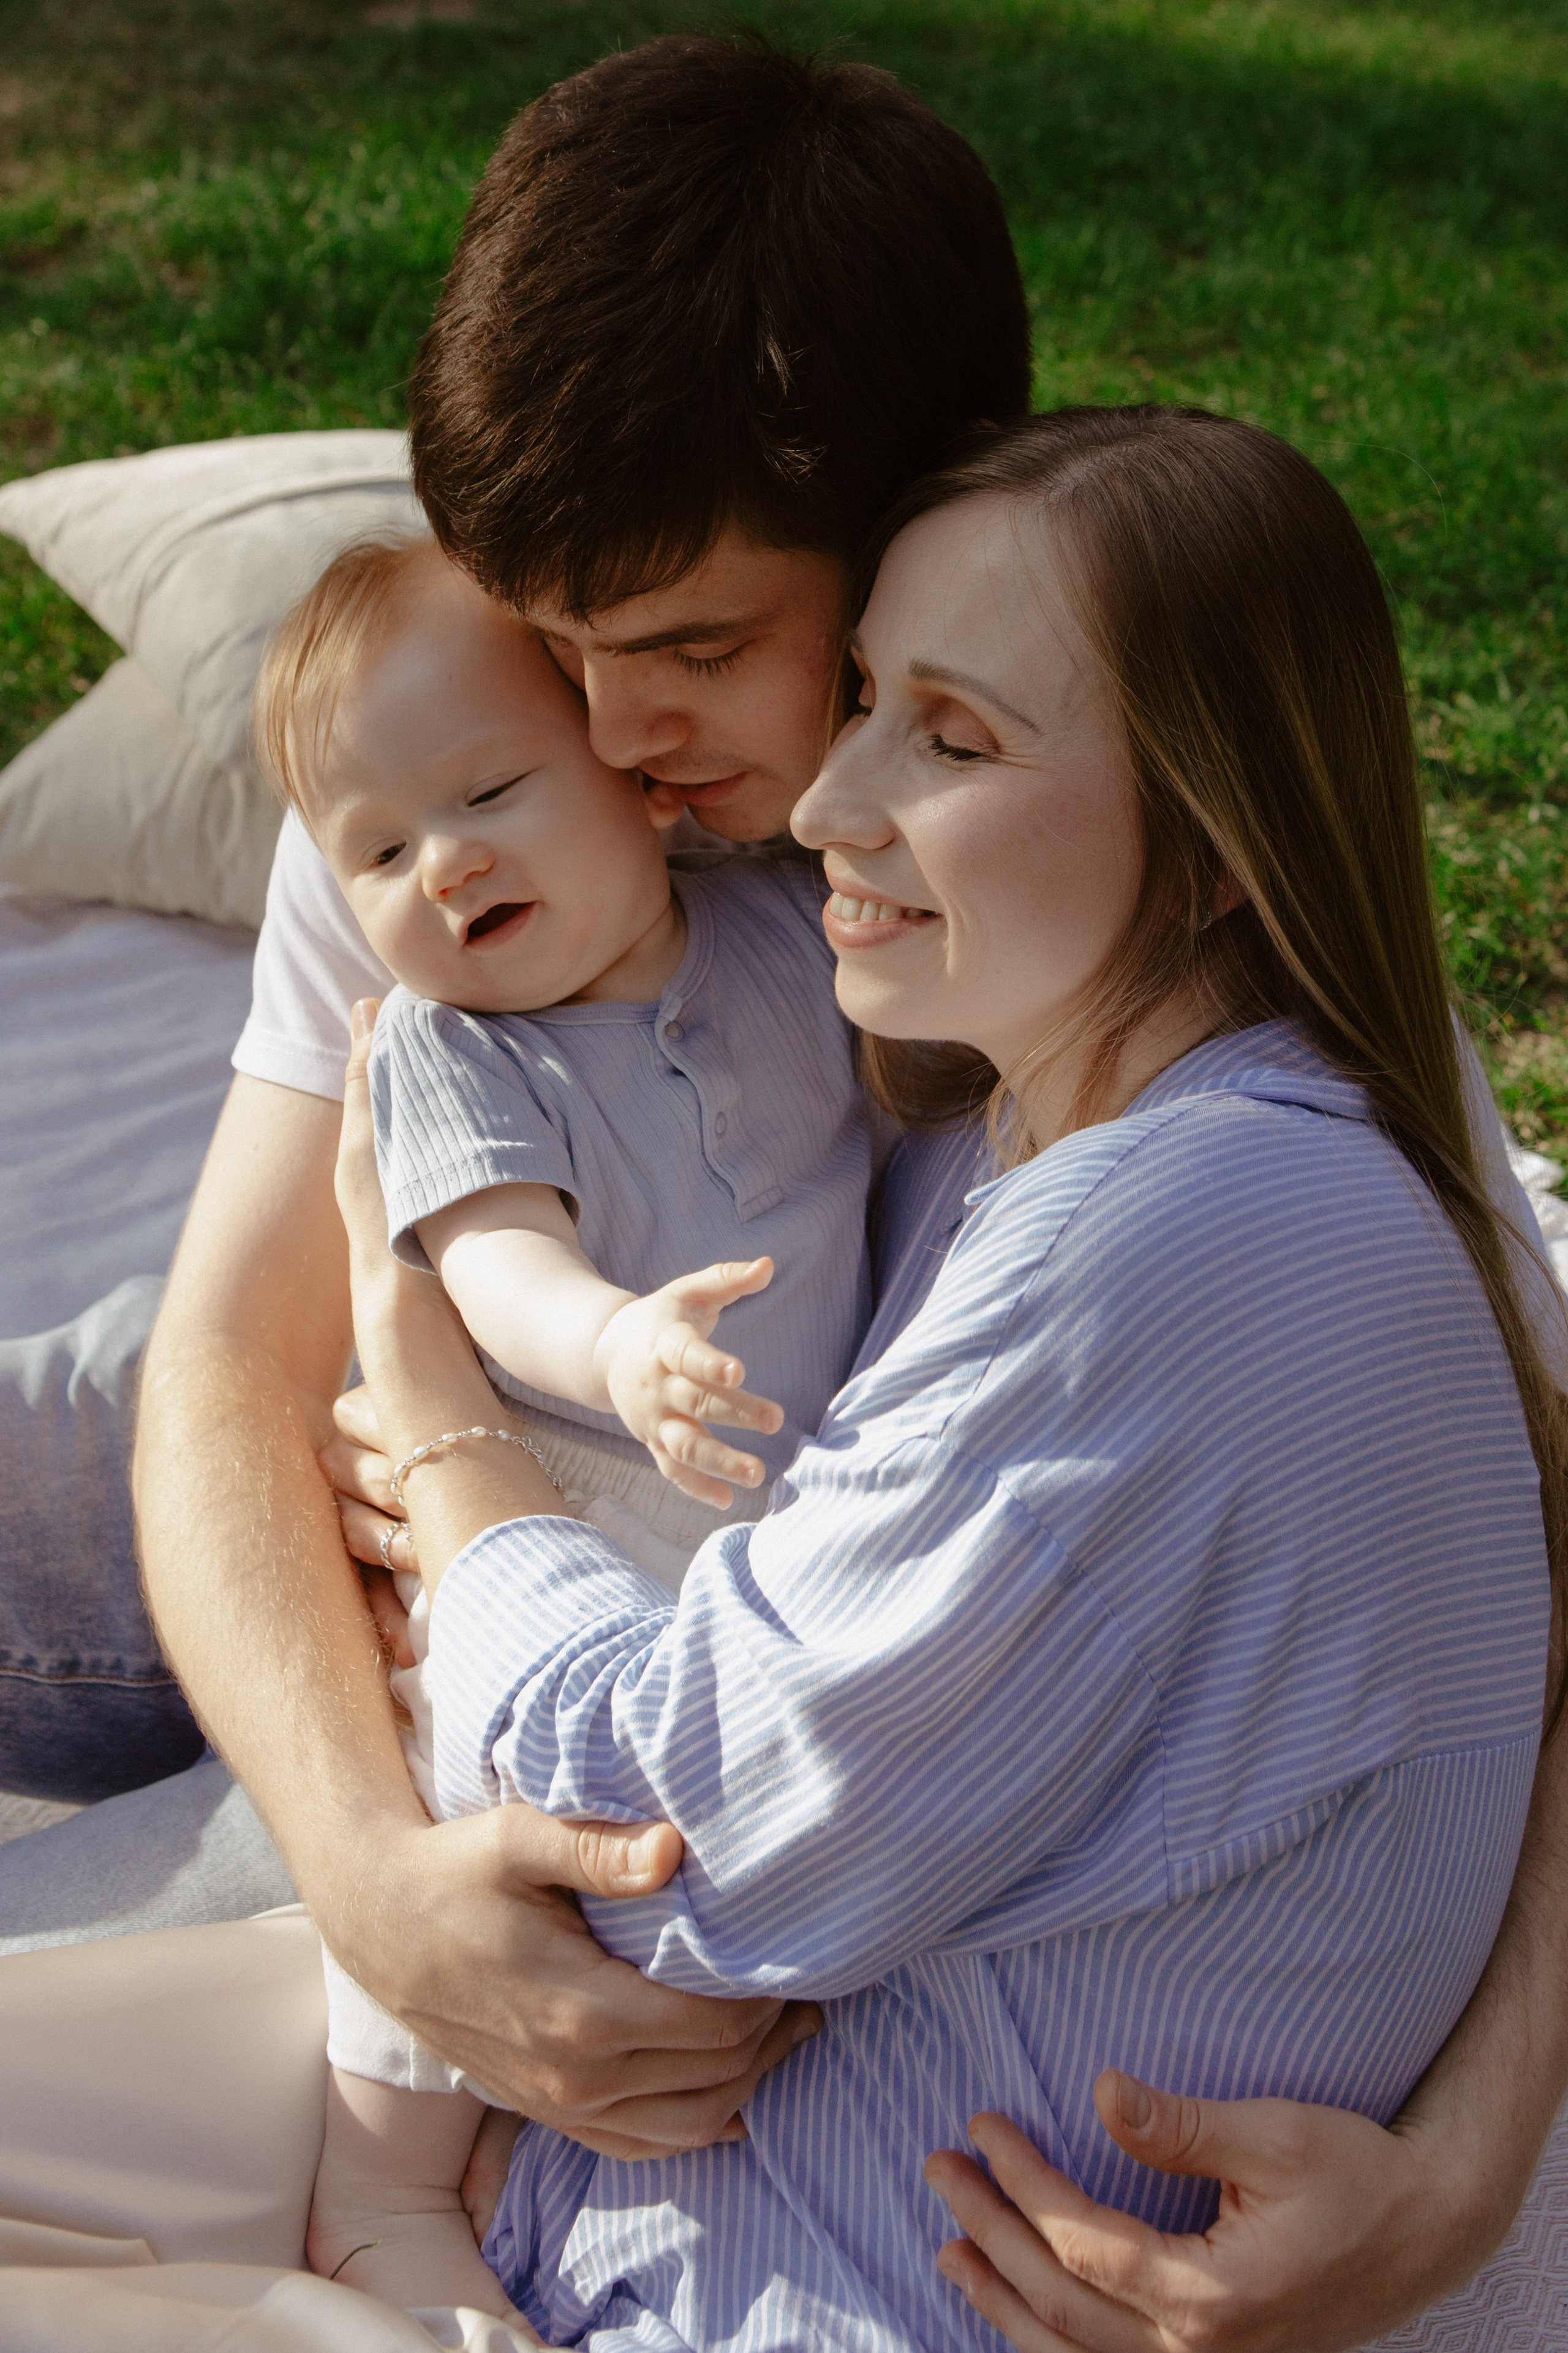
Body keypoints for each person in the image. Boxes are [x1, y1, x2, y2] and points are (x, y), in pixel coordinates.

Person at [2, 34, 1565, 2349]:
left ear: (929, 532)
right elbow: (248, 1356)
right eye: (562, 650)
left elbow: (1515, 1542)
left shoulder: (1154, 907)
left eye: (700, 654)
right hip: (421, 1445)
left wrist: (1467, 2157)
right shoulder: (486, 763)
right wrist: (374, 1884)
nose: (613, 742)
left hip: (639, 1573)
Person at [317, 402, 1556, 2341]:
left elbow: (651, 1848)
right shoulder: (1032, 1134)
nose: (824, 802)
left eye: (955, 739)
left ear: (1220, 842)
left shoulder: (1171, 1242)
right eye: (870, 696)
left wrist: (445, 1424)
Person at [251, 529, 872, 2313]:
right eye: (375, 851)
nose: (443, 866)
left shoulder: (783, 929)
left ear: (636, 781)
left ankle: (582, 2129)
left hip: (767, 1519)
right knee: (462, 1778)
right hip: (558, 1503)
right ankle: (376, 2173)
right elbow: (491, 1261)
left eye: (492, 791)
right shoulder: (451, 1047)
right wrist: (615, 1347)